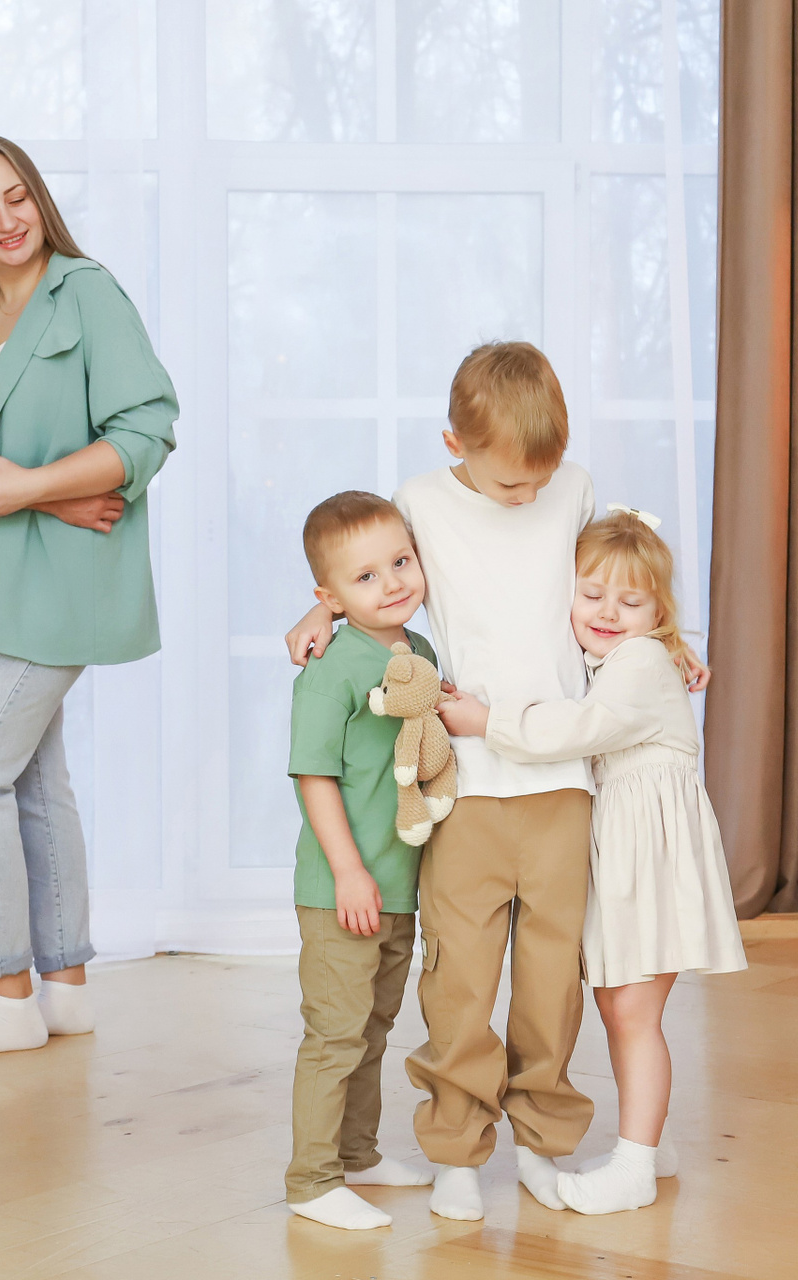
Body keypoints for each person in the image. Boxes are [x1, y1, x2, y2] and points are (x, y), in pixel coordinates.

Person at [286, 342, 594, 1221]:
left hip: (561, 778)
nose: (528, 494)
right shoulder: (420, 500)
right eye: (509, 481)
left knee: (552, 984)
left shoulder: (574, 489)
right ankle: (456, 1150)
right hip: (465, 787)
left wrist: (669, 645)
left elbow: (612, 583)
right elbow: (368, 569)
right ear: (455, 444)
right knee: (458, 983)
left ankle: (542, 1144)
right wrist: (317, 611)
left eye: (541, 477)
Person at [0, 134, 177, 1059]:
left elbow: (147, 428)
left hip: (63, 580)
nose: (5, 221)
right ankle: (64, 991)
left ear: (40, 197)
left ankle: (5, 1001)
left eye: (16, 197)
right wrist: (42, 493)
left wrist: (33, 488)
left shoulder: (87, 292)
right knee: (30, 777)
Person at [438, 510, 742, 1215]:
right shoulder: (621, 659)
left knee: (631, 1010)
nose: (607, 613)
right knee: (620, 1006)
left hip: (653, 855)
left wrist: (487, 721)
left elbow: (578, 727)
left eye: (629, 602)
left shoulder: (639, 663)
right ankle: (651, 1145)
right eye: (592, 595)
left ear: (658, 613)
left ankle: (634, 1168)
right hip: (631, 851)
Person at [284, 492, 441, 1231]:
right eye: (366, 577)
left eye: (401, 562)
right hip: (342, 887)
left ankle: (357, 1154)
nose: (393, 583)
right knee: (336, 1033)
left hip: (399, 882)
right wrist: (348, 870)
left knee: (374, 1027)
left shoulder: (421, 655)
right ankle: (312, 1180)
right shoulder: (332, 666)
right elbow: (314, 774)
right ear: (331, 598)